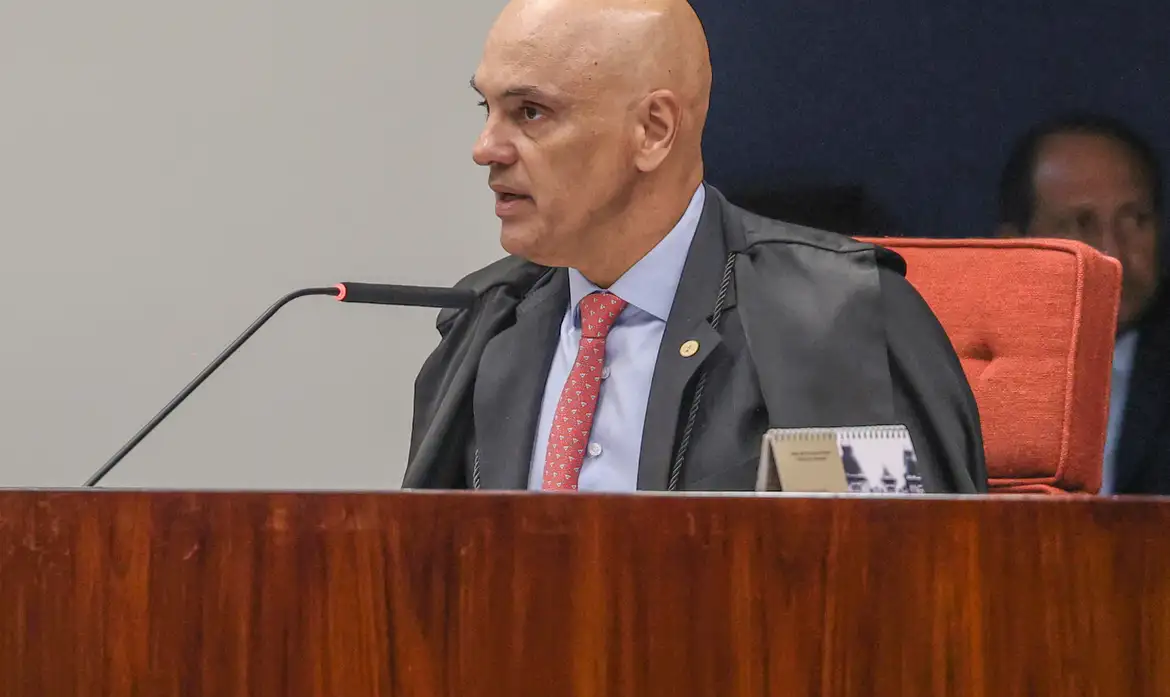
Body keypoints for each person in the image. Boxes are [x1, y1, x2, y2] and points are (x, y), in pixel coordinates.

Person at [404, 0, 987, 494]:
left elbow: (908, 580)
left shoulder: (835, 319)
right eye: (489, 108)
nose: (486, 148)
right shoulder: (488, 319)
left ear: (654, 130)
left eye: (530, 112)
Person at [997, 113, 1170, 494]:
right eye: (1080, 223)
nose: (1112, 252)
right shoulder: (970, 371)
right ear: (1014, 246)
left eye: (1135, 220)